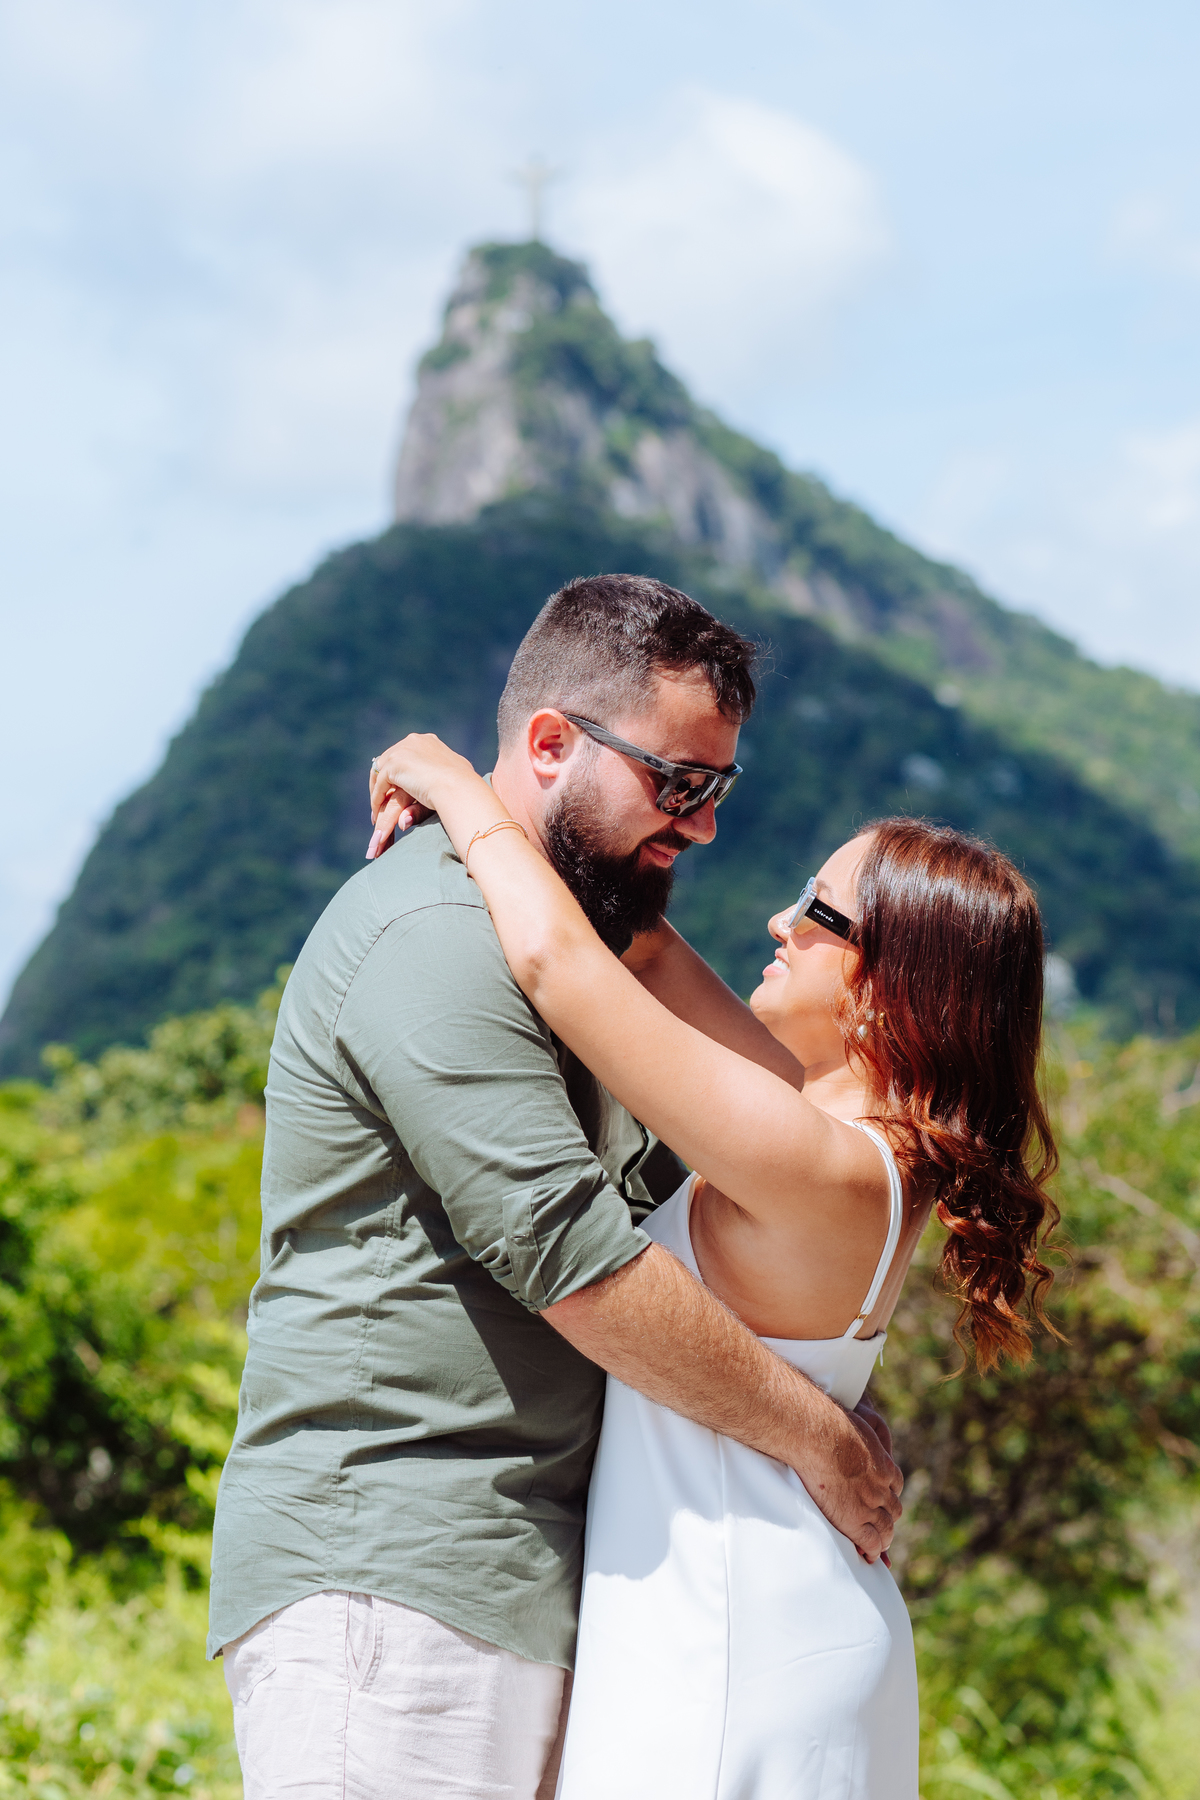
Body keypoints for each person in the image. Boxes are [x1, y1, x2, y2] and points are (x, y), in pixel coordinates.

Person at [209, 574, 903, 1800]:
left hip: (531, 1591)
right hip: (395, 1583)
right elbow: (574, 1265)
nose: (701, 828)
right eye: (676, 785)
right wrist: (821, 1437)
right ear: (548, 744)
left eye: (718, 791)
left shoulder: (579, 954)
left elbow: (768, 1140)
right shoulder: (431, 931)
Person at [366, 729, 1060, 1800]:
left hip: (731, 1639)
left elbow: (562, 965)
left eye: (822, 916)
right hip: (761, 1619)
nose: (781, 922)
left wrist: (451, 779)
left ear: (889, 987)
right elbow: (636, 944)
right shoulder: (818, 1125)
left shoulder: (820, 1161)